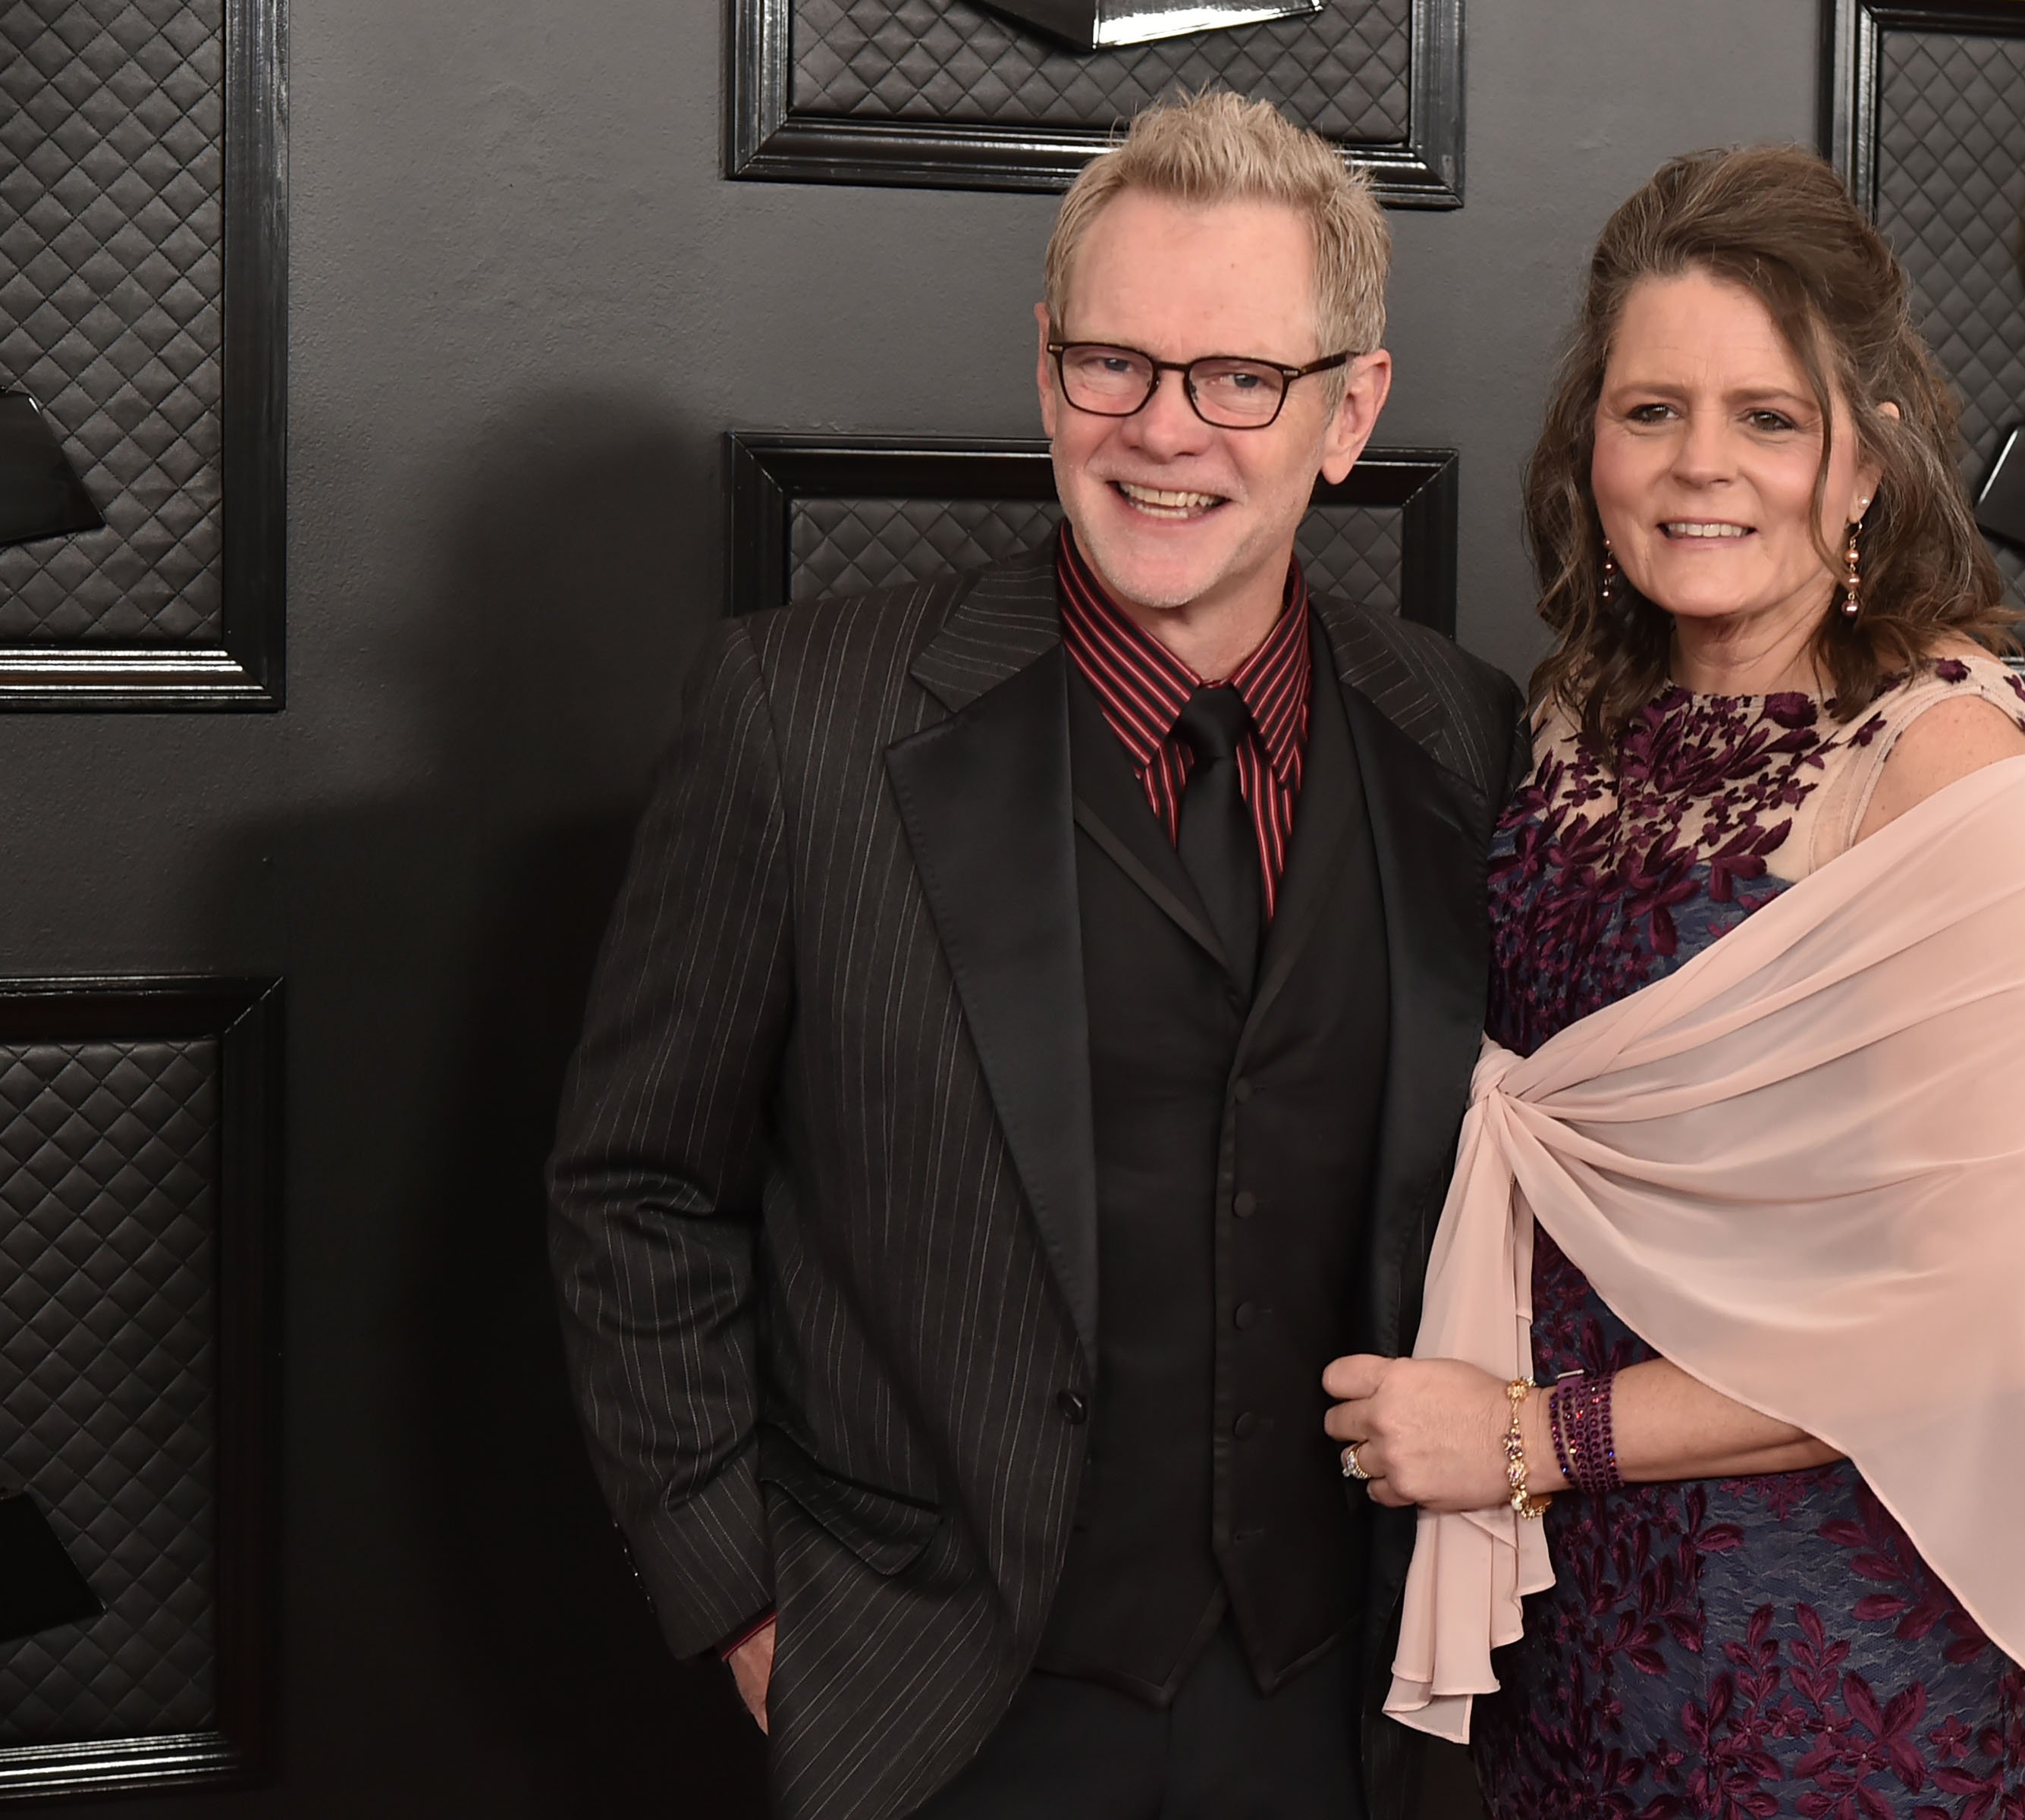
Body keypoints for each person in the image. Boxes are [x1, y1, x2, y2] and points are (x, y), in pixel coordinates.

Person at [548, 92, 1522, 1820]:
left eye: (1240, 377)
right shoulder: (798, 718)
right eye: (1112, 364)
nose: (1166, 431)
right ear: (1045, 365)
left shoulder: (1459, 731)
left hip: (1352, 1715)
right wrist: (750, 1613)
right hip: (938, 1713)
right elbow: (635, 1187)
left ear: (1350, 411)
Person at [1323, 144, 2025, 1815]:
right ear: (1590, 446)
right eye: (1650, 411)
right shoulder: (1577, 712)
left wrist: (1523, 1440)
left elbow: (1953, 1323)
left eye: (1769, 418)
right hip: (1577, 1631)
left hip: (1836, 1652)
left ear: (1865, 462)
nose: (1699, 466)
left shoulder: (1949, 769)